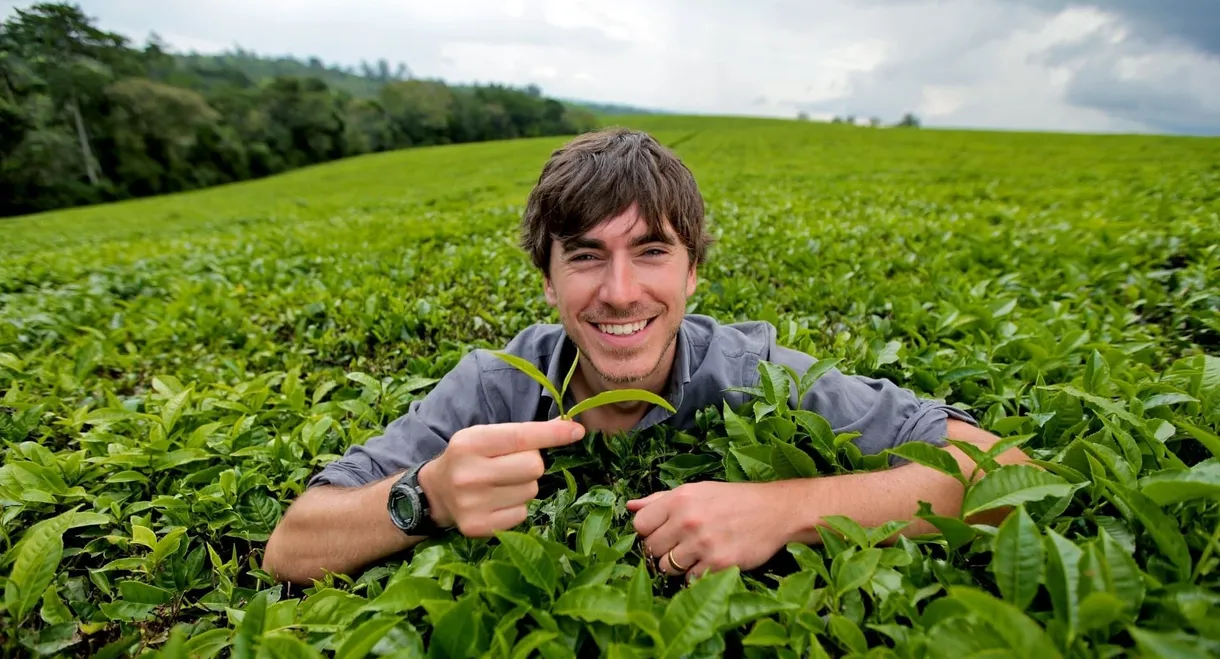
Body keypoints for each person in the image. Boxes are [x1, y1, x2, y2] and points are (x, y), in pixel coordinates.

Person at [263, 127, 1027, 585]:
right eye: (587, 256)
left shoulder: (754, 375)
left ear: (693, 271)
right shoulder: (496, 387)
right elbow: (291, 545)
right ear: (549, 279)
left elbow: (1010, 476)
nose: (621, 292)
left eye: (653, 251)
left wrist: (788, 510)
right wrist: (425, 495)